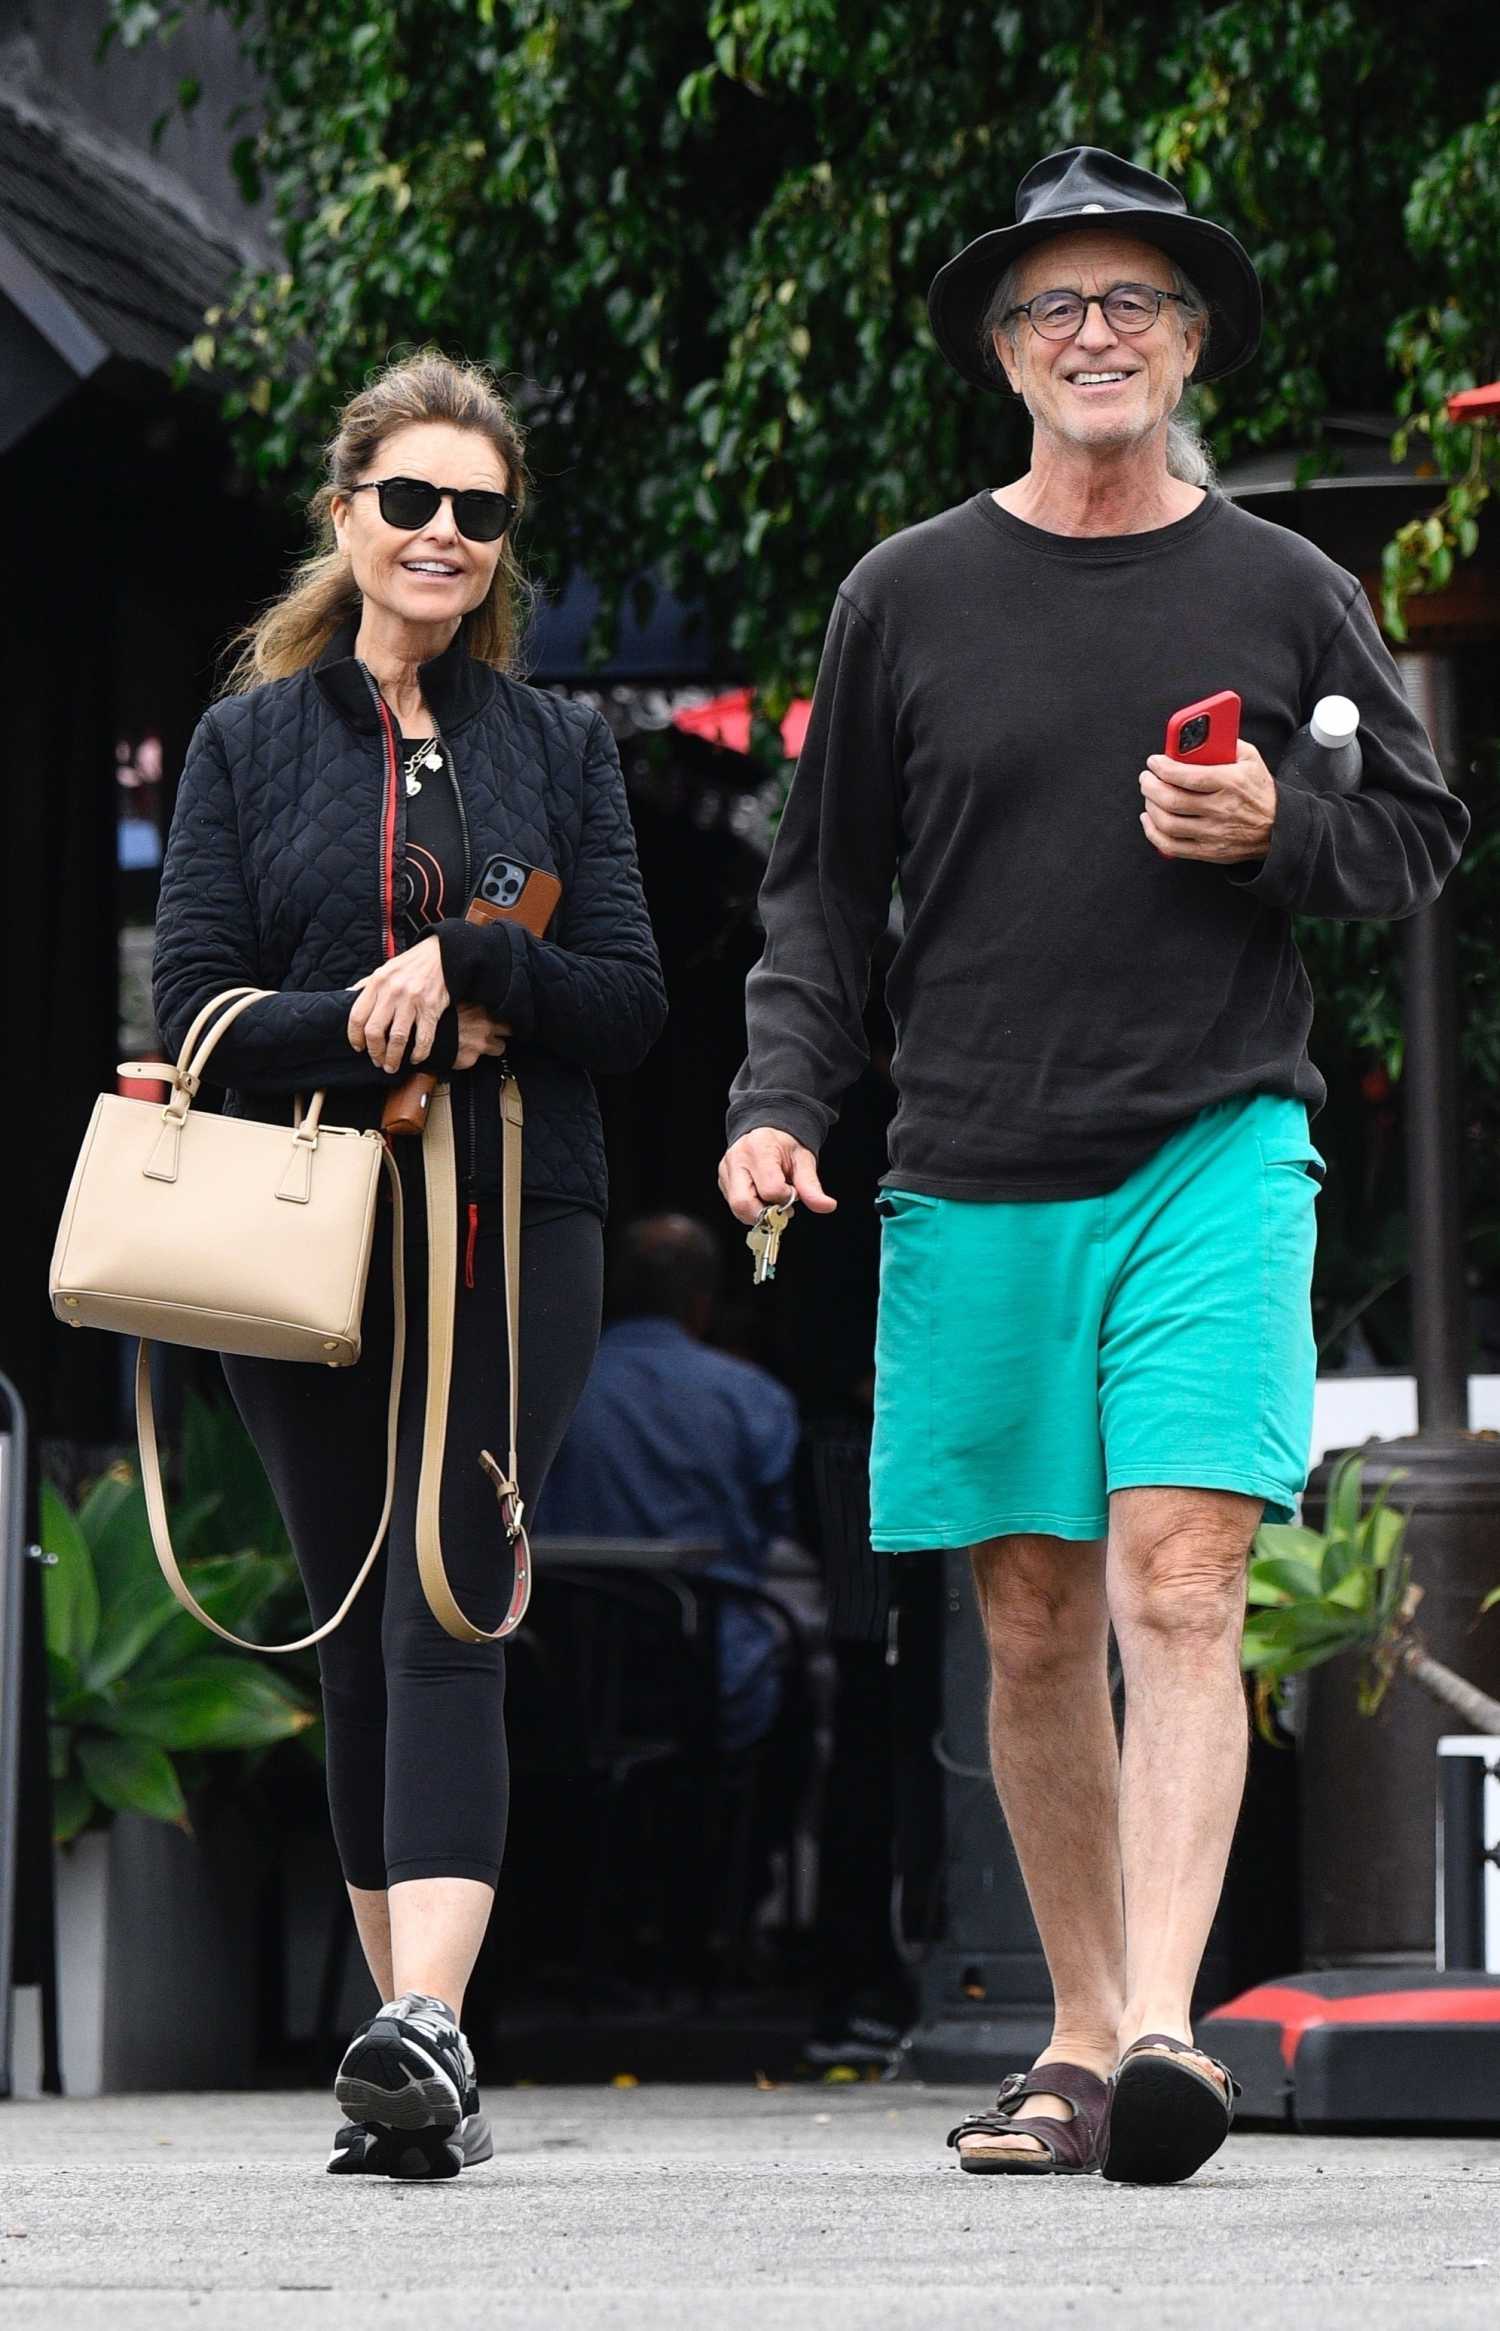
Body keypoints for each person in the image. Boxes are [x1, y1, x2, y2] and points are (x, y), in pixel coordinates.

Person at [718, 145, 1468, 2184]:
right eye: (1058, 308)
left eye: (1135, 303)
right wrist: (778, 1098)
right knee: (1037, 1609)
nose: (1098, 335)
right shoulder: (906, 596)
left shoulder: (1281, 587)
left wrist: (1276, 842)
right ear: (1004, 355)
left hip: (1215, 1144)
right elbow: (820, 896)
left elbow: (1418, 833)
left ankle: (1164, 2029)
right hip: (969, 1160)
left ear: (1191, 341)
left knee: (1183, 1571)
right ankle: (1071, 2036)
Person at [152, 352, 666, 2179]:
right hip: (296, 1223)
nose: (445, 534)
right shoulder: (246, 743)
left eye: (480, 511)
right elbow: (194, 1013)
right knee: (356, 1633)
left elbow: (625, 1004)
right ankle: (408, 2071)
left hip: (514, 1224)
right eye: (413, 502)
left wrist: (482, 968)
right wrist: (368, 1015)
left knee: (449, 1588)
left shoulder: (557, 745)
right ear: (347, 516)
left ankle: (429, 2018)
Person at [538, 1215, 800, 1757]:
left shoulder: (544, 1388)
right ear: (701, 1304)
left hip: (556, 1673)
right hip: (710, 1679)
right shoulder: (752, 1397)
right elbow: (782, 1530)